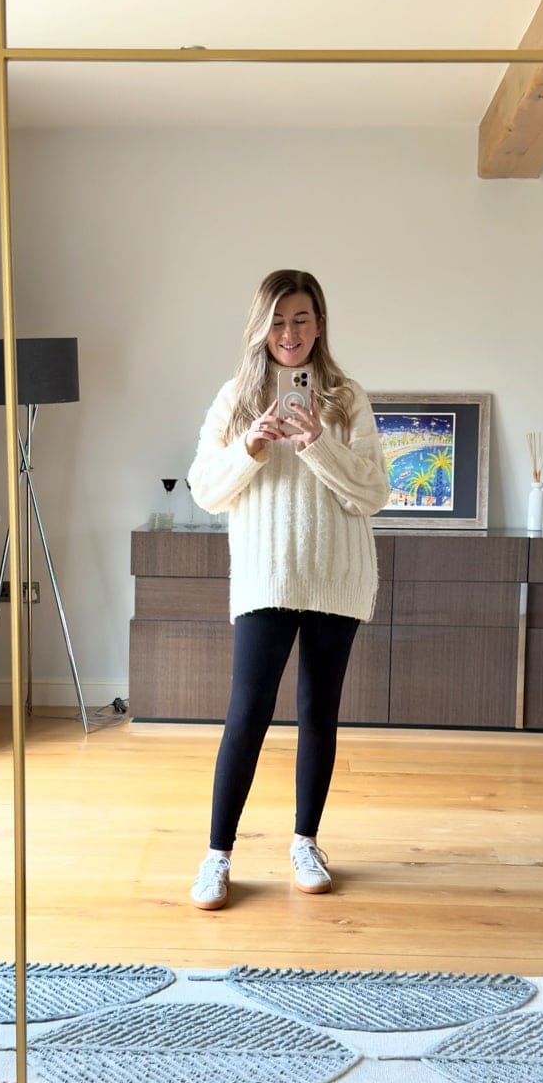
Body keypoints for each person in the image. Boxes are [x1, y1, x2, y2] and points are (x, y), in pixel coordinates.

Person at [185, 269, 390, 910]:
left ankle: (306, 843)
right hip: (265, 576)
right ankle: (217, 856)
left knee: (318, 711)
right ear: (261, 327)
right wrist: (248, 446)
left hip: (334, 575)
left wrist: (317, 443)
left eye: (301, 319)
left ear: (320, 323)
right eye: (277, 321)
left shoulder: (346, 398)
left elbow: (373, 493)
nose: (289, 333)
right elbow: (204, 489)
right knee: (247, 712)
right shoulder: (236, 399)